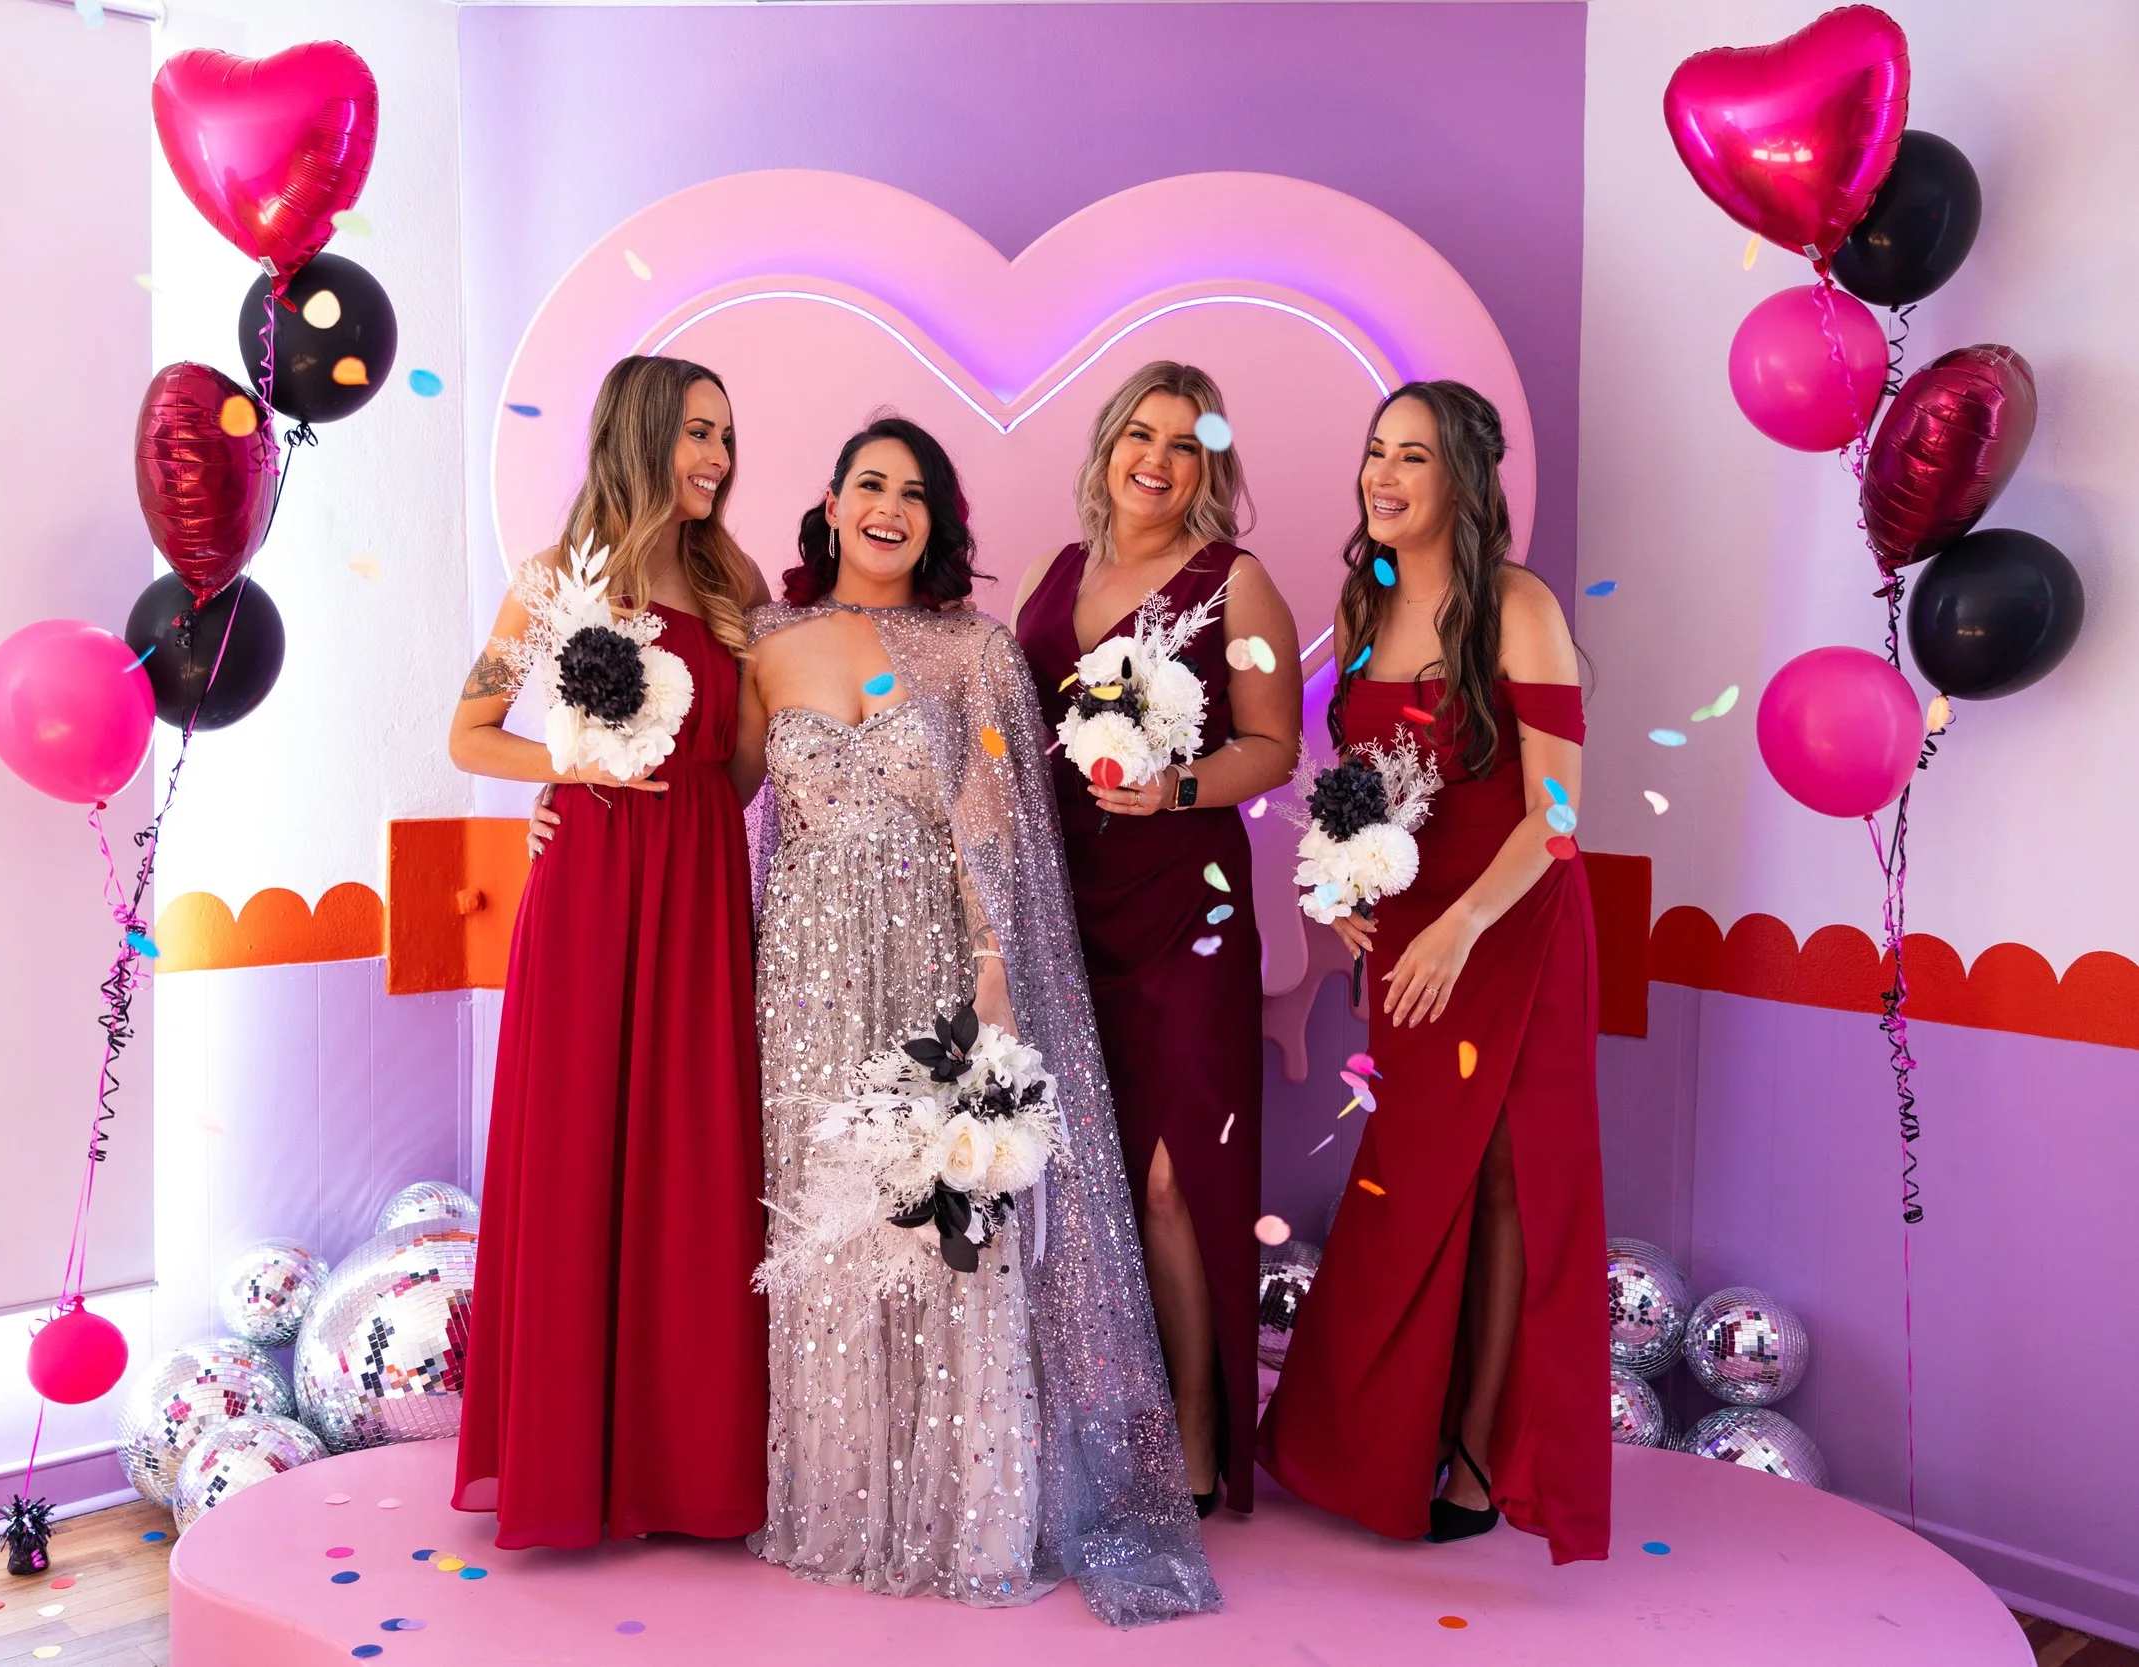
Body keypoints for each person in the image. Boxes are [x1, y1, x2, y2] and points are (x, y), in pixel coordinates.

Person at [535, 416, 1218, 1625]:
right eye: (868, 484)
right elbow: (716, 786)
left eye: (914, 491)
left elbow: (994, 820)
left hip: (933, 961)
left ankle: (969, 1509)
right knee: (826, 1226)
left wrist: (995, 971)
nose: (888, 506)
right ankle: (837, 1501)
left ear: (938, 519)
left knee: (945, 1219)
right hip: (802, 971)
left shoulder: (973, 652)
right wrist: (572, 781)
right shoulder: (768, 640)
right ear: (833, 504)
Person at [1258, 380, 1608, 1564]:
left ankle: (1469, 1450)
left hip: (1508, 921)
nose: (1382, 474)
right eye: (1373, 451)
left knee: (1506, 1181)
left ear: (1462, 477)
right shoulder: (1369, 600)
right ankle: (1368, 1443)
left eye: (1411, 455)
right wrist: (1344, 890)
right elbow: (1366, 784)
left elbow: (1554, 808)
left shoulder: (1518, 604)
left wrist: (1457, 926)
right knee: (1409, 1183)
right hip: (1411, 936)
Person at [447, 354, 771, 1550]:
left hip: (695, 877)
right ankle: (569, 1467)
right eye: (698, 432)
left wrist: (693, 807)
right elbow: (471, 730)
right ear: (641, 435)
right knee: (579, 1146)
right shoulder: (550, 579)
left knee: (693, 1153)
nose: (719, 458)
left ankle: (687, 1467)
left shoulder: (731, 574)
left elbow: (742, 759)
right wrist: (568, 769)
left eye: (727, 436)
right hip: (590, 882)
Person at [1011, 363, 1302, 1517]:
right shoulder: (1052, 570)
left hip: (1187, 903)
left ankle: (1196, 1422)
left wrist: (1175, 786)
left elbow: (1273, 745)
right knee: (1080, 1175)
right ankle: (1089, 1413)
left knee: (1176, 1178)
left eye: (1186, 444)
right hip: (1059, 900)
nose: (1159, 458)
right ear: (1109, 445)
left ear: (1209, 470)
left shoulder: (1240, 583)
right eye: (1142, 432)